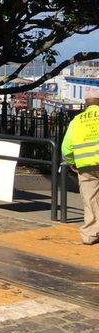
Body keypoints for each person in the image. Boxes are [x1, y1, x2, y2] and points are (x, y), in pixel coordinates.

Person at [61, 96, 99, 245]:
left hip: (85, 165)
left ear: (86, 105)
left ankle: (90, 234)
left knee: (90, 199)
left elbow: (66, 148)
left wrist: (72, 162)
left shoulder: (76, 121)